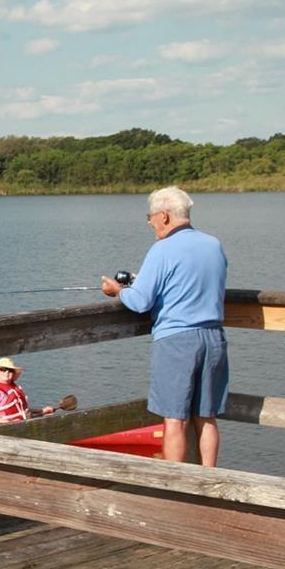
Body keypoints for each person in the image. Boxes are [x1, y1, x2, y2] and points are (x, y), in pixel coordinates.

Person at [101, 185, 228, 466]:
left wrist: (118, 291)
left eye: (151, 216)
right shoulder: (213, 244)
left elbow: (141, 301)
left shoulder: (162, 249)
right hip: (214, 338)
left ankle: (174, 486)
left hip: (177, 341)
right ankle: (210, 480)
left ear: (165, 216)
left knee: (175, 419)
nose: (149, 222)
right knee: (206, 417)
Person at [0, 357, 57, 424]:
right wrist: (9, 424)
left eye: (10, 370)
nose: (7, 372)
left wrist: (42, 411)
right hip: (4, 427)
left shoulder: (13, 389)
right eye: (3, 369)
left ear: (13, 374)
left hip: (21, 422)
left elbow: (20, 409)